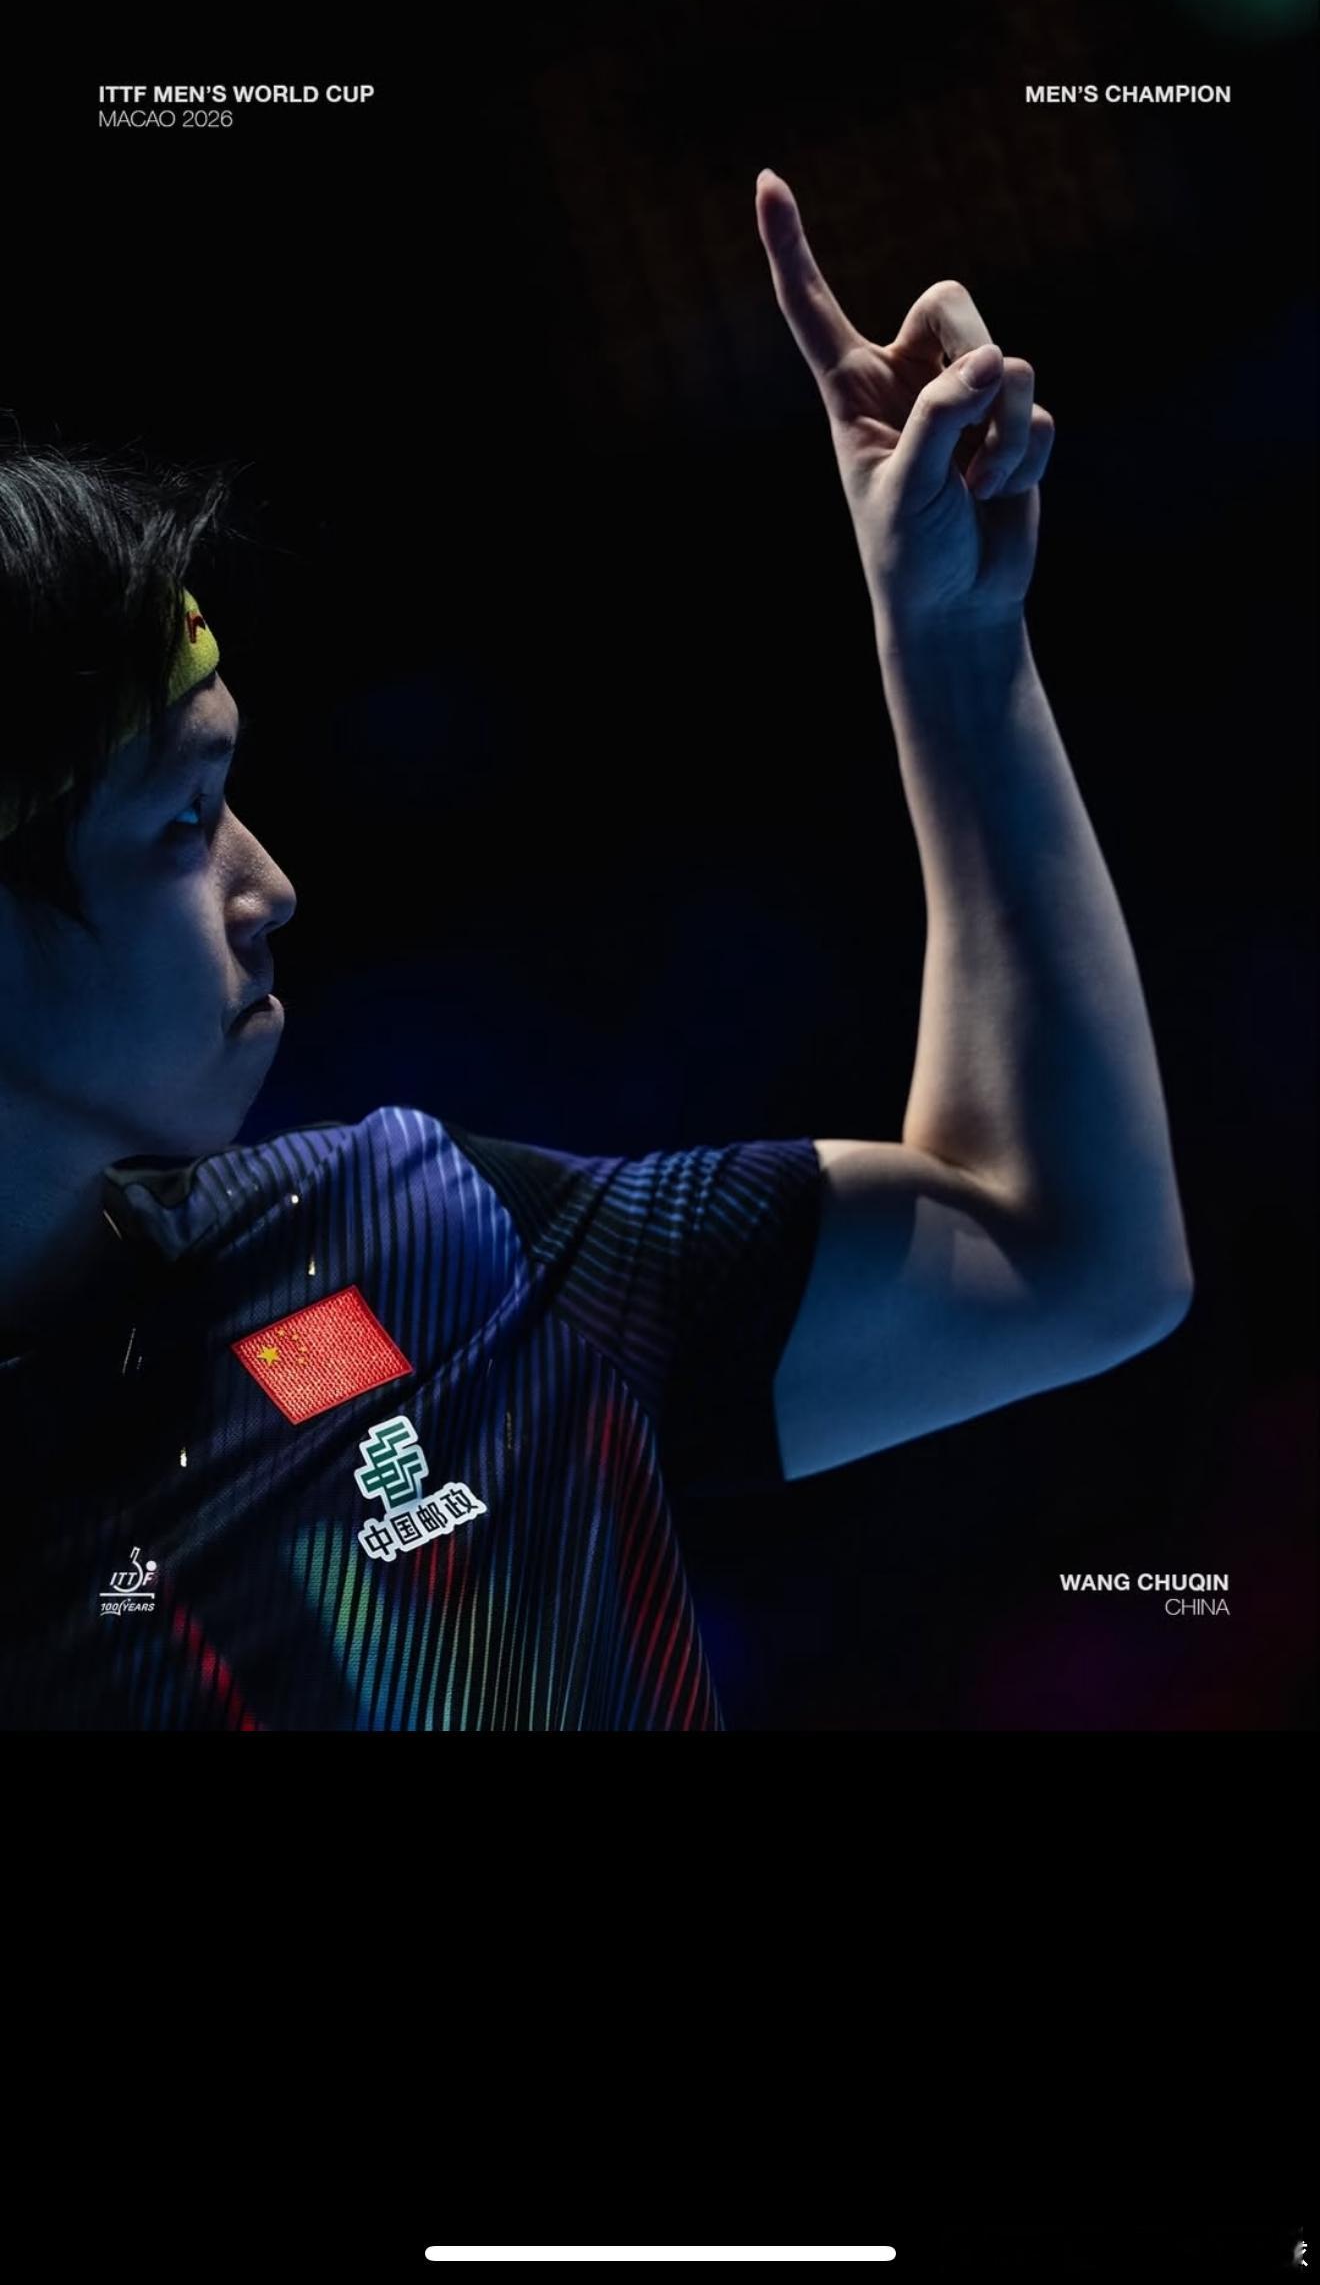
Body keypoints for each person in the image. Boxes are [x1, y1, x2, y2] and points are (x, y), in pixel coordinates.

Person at [0, 172, 1195, 1730]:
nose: (269, 886)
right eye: (181, 824)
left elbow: (1063, 1252)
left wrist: (957, 644)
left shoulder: (413, 1251)